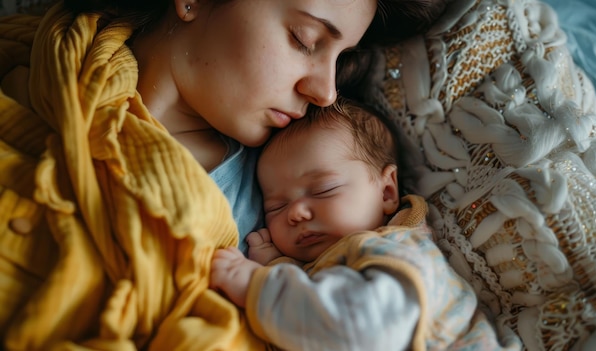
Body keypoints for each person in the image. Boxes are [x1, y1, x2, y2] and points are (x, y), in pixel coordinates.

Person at [0, 0, 450, 349]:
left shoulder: (280, 203)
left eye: (340, 57)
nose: (326, 91)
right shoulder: (30, 65)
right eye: (305, 38)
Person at [210, 98, 523, 351]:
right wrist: (277, 265)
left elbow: (358, 331)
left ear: (386, 191)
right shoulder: (340, 259)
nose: (296, 214)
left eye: (323, 190)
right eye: (275, 207)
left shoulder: (400, 257)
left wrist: (257, 285)